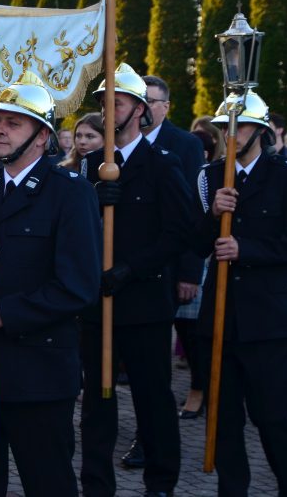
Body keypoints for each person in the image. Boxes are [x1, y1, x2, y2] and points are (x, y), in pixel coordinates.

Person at [0, 71, 100, 497]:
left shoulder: (70, 192)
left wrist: (4, 313)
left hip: (38, 371)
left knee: (48, 482)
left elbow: (78, 286)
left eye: (13, 123)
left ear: (42, 137)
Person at [195, 90, 287, 497]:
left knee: (271, 417)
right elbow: (194, 243)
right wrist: (212, 216)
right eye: (225, 127)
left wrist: (246, 250)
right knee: (224, 418)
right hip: (221, 316)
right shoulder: (212, 175)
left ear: (261, 131)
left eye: (241, 127)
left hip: (266, 318)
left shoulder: (286, 174)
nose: (231, 135)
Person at [80, 65, 191, 497]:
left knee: (152, 399)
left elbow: (179, 232)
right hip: (98, 304)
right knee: (97, 401)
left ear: (139, 110)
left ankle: (160, 482)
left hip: (144, 303)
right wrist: (92, 202)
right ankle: (96, 484)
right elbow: (71, 231)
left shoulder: (162, 164)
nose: (109, 110)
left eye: (118, 102)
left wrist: (131, 268)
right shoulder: (90, 166)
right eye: (104, 103)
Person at [142, 75, 209, 420]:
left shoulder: (185, 144)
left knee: (188, 334)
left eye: (150, 101)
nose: (143, 107)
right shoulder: (118, 140)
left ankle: (198, 389)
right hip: (137, 264)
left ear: (165, 107)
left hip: (174, 260)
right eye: (139, 100)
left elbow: (193, 211)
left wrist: (189, 271)